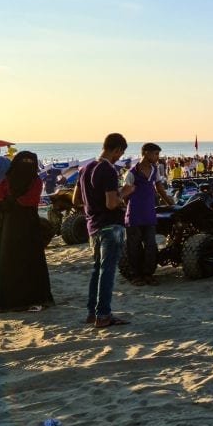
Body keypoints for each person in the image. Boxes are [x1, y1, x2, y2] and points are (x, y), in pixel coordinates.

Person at [74, 133, 134, 328]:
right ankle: (104, 315)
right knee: (107, 271)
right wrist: (125, 192)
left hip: (93, 225)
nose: (120, 157)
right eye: (120, 153)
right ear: (116, 150)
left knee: (97, 270)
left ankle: (93, 313)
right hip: (110, 225)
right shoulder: (108, 170)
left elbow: (76, 200)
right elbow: (111, 204)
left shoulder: (85, 169)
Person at [0, 151, 55, 312]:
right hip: (27, 224)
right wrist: (15, 202)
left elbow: (3, 198)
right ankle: (31, 299)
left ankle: (11, 300)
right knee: (28, 261)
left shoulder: (7, 180)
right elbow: (29, 201)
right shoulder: (35, 180)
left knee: (10, 260)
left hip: (10, 224)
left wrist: (10, 202)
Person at [123, 143, 174, 286]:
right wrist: (131, 206)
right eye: (155, 154)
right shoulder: (132, 172)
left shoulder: (154, 170)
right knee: (134, 246)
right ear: (145, 153)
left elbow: (160, 189)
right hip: (134, 214)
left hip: (149, 213)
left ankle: (148, 273)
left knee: (151, 245)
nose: (158, 157)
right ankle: (136, 275)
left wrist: (170, 204)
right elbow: (125, 194)